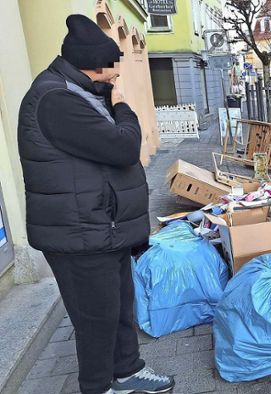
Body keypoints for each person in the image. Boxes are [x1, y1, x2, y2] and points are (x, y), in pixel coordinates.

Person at [17, 15, 175, 394]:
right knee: (96, 319)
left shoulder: (79, 90)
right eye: (110, 72)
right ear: (89, 65)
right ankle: (96, 386)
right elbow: (122, 147)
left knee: (120, 309)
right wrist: (123, 108)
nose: (115, 79)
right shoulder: (56, 100)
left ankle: (127, 372)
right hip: (79, 232)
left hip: (103, 227)